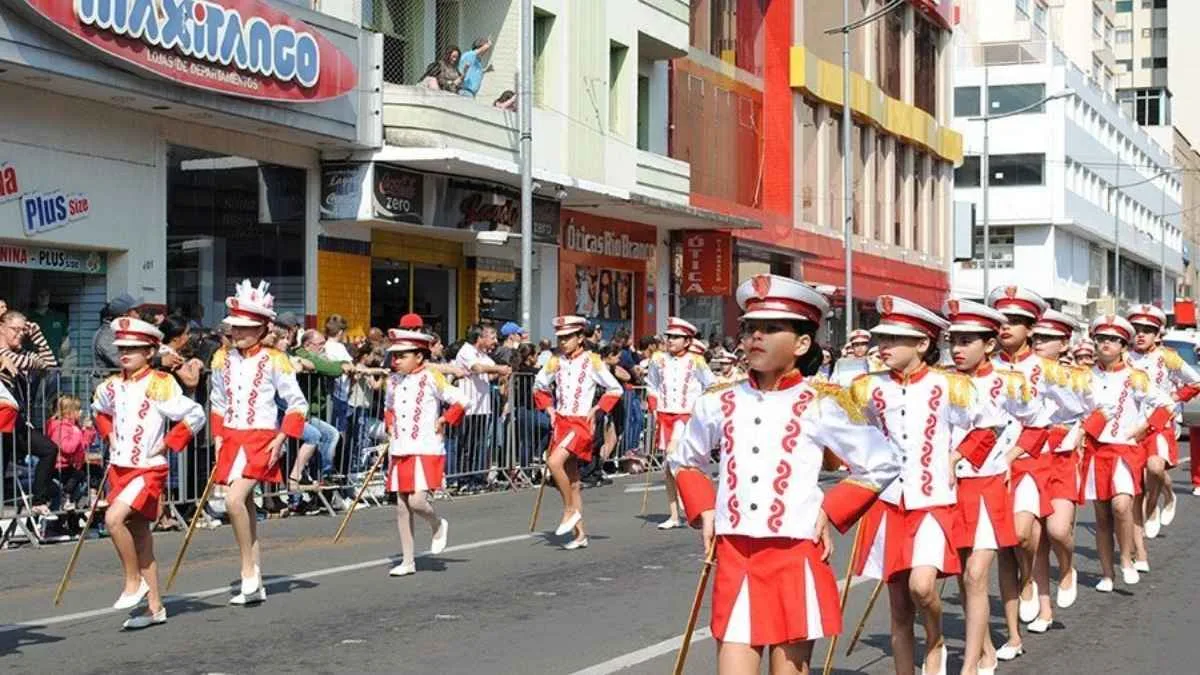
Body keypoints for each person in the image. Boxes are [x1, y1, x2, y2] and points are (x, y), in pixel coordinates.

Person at [669, 274, 901, 675]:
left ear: (801, 344)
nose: (756, 337)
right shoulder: (719, 401)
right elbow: (684, 457)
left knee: (789, 669)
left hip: (794, 553)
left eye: (772, 328)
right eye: (750, 328)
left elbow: (882, 460)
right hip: (735, 552)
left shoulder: (820, 403)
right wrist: (705, 509)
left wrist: (830, 511)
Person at [848, 295, 1002, 675]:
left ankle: (934, 638)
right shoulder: (868, 388)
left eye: (893, 340)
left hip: (933, 500)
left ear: (922, 344)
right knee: (898, 604)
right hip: (887, 502)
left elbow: (990, 423)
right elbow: (857, 436)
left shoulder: (948, 386)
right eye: (880, 338)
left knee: (922, 586)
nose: (882, 347)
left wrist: (956, 456)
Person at [985, 287, 1084, 661]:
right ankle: (1018, 622)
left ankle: (1036, 579)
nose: (1005, 327)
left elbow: (1080, 407)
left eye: (1015, 322)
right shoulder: (987, 367)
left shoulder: (1047, 370)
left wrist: (1069, 432)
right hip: (990, 465)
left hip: (1035, 462)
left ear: (1030, 329)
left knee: (1027, 533)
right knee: (1006, 546)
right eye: (1001, 320)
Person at [943, 299, 1041, 675]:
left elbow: (1038, 422)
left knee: (976, 574)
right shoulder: (941, 381)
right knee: (962, 575)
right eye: (954, 339)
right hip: (947, 490)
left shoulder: (1006, 382)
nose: (957, 348)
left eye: (968, 340)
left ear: (988, 344)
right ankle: (983, 649)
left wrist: (1012, 457)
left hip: (988, 487)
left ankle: (969, 664)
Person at [92, 317, 205, 629]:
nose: (125, 353)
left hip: (148, 469)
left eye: (134, 348)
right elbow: (97, 410)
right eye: (122, 348)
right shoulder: (111, 385)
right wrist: (108, 434)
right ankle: (155, 607)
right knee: (140, 535)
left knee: (113, 520)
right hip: (120, 468)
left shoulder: (160, 382)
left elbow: (195, 414)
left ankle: (133, 582)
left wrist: (169, 443)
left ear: (150, 351)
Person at [208, 280, 308, 605]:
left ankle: (247, 571)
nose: (238, 334)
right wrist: (219, 437)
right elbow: (218, 402)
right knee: (244, 505)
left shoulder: (275, 360)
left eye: (246, 329)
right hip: (232, 439)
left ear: (263, 329)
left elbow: (297, 403)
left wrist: (281, 438)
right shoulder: (222, 359)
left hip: (261, 439)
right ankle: (255, 580)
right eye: (235, 328)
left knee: (234, 501)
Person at [1079, 315, 1173, 593]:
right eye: (1101, 339)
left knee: (1122, 505)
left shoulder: (1135, 377)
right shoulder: (1083, 376)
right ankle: (1107, 573)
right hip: (1095, 452)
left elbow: (1166, 405)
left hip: (1124, 451)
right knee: (1102, 515)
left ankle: (1126, 559)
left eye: (1113, 339)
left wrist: (1144, 428)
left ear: (1123, 345)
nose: (1105, 344)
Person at [533, 315, 623, 549]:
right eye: (560, 337)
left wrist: (597, 408)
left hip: (579, 424)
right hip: (561, 423)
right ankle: (580, 534)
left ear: (580, 337)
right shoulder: (555, 361)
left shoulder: (592, 361)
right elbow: (539, 385)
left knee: (554, 463)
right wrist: (550, 409)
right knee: (572, 481)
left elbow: (615, 388)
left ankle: (569, 510)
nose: (563, 342)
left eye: (568, 337)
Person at [382, 329, 465, 576]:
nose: (395, 361)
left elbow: (461, 400)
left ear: (419, 357)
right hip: (400, 448)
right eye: (394, 356)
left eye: (402, 355)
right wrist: (389, 423)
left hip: (426, 447)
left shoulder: (432, 377)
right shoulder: (392, 381)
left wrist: (445, 418)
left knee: (417, 501)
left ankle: (437, 524)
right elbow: (389, 408)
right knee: (401, 505)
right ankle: (408, 561)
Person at [1025, 309, 1087, 631]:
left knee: (1058, 530)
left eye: (1047, 339)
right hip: (1031, 458)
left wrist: (1078, 435)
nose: (1038, 343)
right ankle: (1045, 609)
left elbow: (1097, 410)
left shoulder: (1075, 375)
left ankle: (1067, 568)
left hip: (1062, 459)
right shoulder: (1019, 372)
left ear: (1064, 344)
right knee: (1034, 538)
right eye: (1036, 337)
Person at [1125, 304, 1199, 542]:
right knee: (1143, 475)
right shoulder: (1124, 358)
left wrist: (1174, 398)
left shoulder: (1167, 357)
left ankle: (1153, 506)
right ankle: (1165, 496)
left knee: (1155, 467)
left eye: (1147, 330)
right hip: (1132, 423)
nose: (1141, 334)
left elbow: (1195, 382)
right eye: (1136, 329)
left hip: (1160, 420)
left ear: (1158, 335)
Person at [645, 317, 714, 530]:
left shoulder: (696, 361)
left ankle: (697, 501)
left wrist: (699, 408)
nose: (671, 340)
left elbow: (711, 384)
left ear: (687, 341)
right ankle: (674, 514)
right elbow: (651, 385)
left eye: (676, 337)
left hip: (686, 417)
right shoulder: (657, 360)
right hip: (665, 416)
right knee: (668, 466)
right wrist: (655, 408)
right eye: (669, 336)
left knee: (676, 458)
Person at [0, 310, 61, 516]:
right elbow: (24, 363)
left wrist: (37, 336)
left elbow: (51, 366)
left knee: (48, 449)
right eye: (15, 330)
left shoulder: (20, 354)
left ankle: (39, 499)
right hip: (3, 421)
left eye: (23, 330)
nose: (20, 334)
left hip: (17, 423)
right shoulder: (3, 354)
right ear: (1, 328)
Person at [454, 324, 511, 488]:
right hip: (468, 406)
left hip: (482, 406)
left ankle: (478, 478)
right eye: (491, 337)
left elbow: (491, 371)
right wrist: (498, 368)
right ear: (480, 338)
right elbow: (477, 368)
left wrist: (502, 371)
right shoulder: (466, 351)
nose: (494, 341)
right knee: (467, 445)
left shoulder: (482, 354)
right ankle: (464, 480)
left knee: (479, 444)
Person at [45, 394, 97, 512]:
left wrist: (87, 431)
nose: (81, 412)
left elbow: (82, 445)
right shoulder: (59, 426)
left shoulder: (73, 427)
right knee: (78, 475)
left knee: (95, 471)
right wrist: (78, 432)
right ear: (69, 412)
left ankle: (93, 496)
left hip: (73, 464)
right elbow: (68, 448)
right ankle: (66, 497)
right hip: (59, 466)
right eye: (78, 409)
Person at [94, 293, 142, 371]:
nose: (139, 314)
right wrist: (158, 361)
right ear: (125, 315)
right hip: (107, 381)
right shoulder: (107, 335)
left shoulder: (122, 332)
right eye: (136, 311)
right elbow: (122, 361)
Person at [28, 289, 70, 361]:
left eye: (46, 295)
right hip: (35, 359)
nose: (44, 297)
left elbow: (65, 338)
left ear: (49, 297)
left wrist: (63, 356)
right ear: (35, 297)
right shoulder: (29, 317)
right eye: (40, 295)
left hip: (55, 359)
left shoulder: (59, 317)